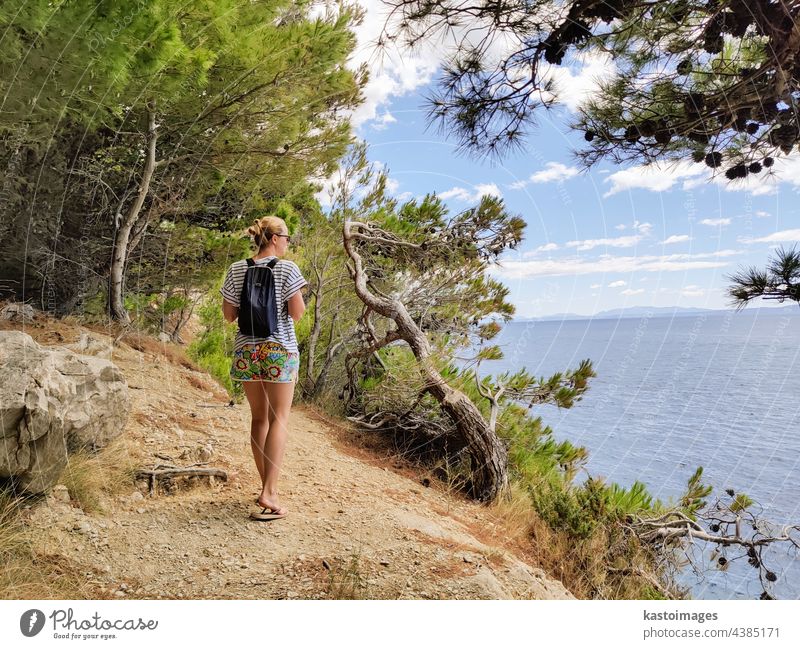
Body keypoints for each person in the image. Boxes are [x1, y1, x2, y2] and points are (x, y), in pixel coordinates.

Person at [220, 216, 307, 521]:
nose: (288, 242)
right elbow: (297, 314)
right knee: (279, 417)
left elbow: (230, 315)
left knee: (259, 419)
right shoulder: (287, 268)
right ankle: (269, 492)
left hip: (247, 351)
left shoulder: (236, 269)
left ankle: (267, 488)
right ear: (273, 238)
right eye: (286, 237)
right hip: (279, 350)